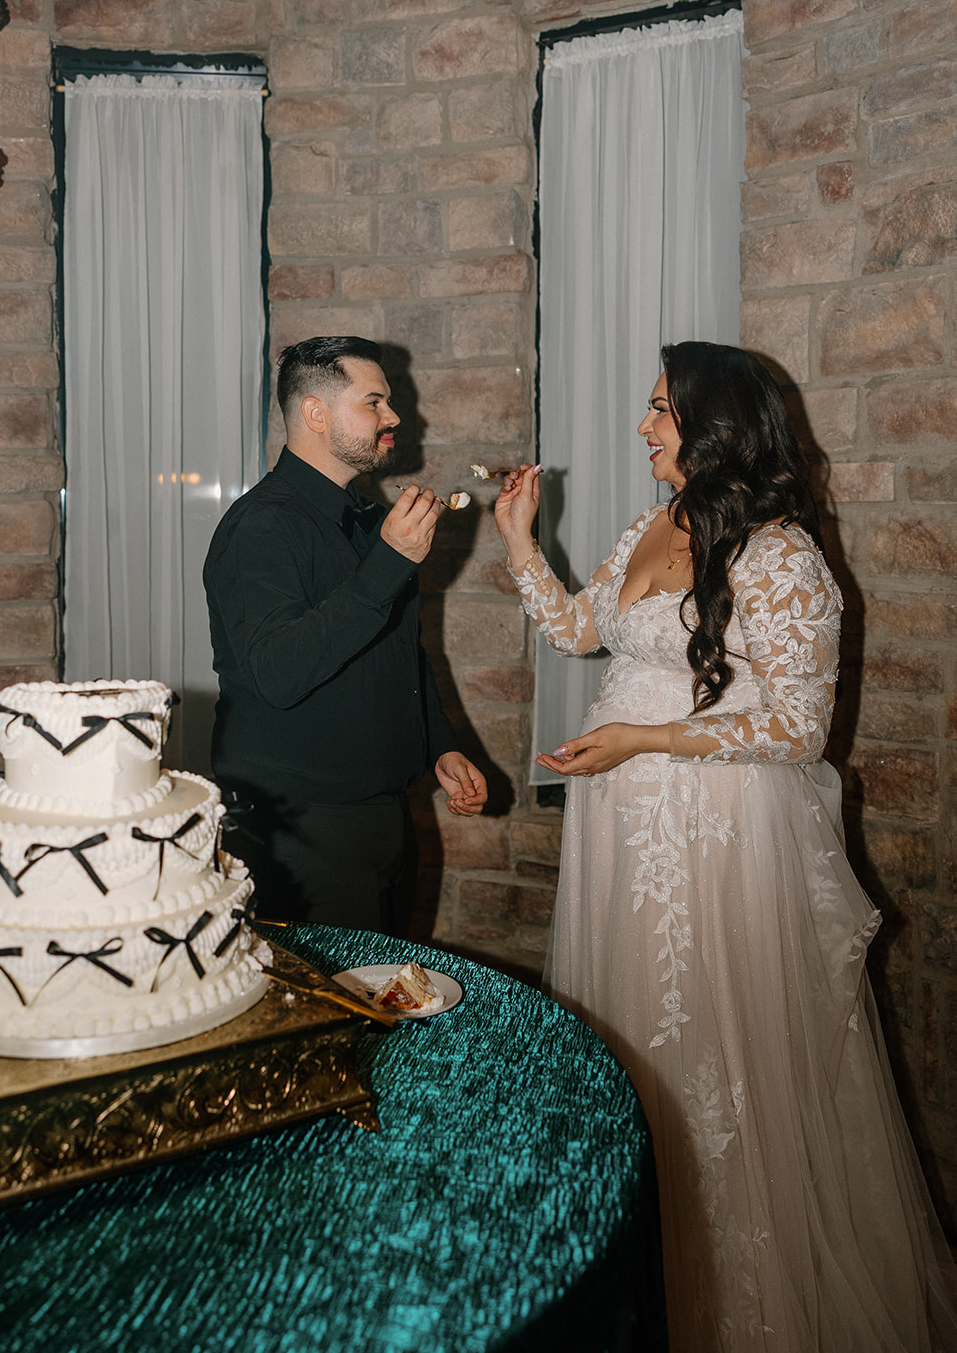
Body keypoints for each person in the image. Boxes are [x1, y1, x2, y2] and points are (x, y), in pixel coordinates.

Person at [494, 341, 957, 1353]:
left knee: (715, 1040)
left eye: (658, 407)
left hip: (720, 829)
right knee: (627, 1029)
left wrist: (643, 737)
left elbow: (796, 725)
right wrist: (521, 542)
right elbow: (579, 631)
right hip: (623, 823)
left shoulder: (781, 551)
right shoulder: (649, 525)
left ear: (712, 425)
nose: (641, 425)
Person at [204, 335, 487, 935]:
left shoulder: (362, 518)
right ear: (315, 413)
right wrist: (387, 564)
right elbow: (278, 674)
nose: (394, 417)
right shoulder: (260, 527)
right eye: (374, 403)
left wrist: (441, 743)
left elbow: (397, 651)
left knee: (386, 1002)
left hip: (380, 817)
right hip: (298, 831)